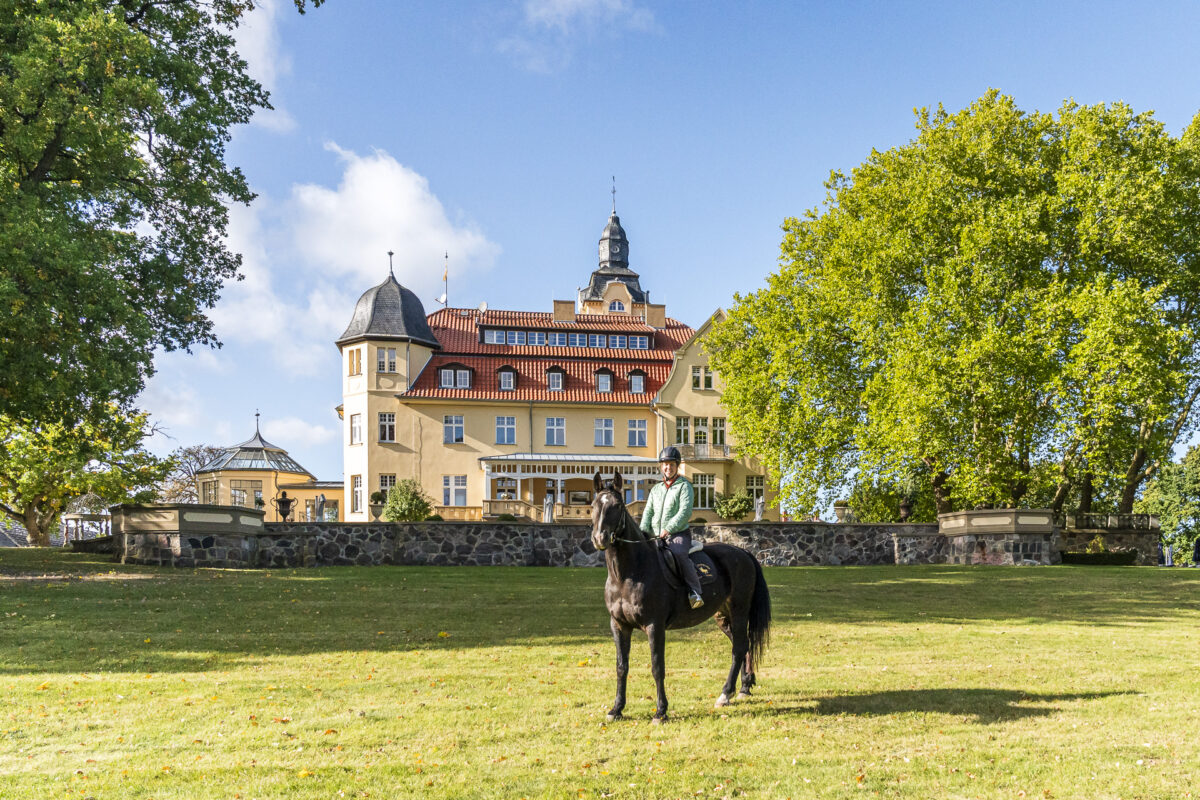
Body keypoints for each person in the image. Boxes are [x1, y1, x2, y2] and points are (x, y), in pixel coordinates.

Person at [640, 446, 704, 609]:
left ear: (677, 466)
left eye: (671, 464)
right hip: (656, 535)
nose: (668, 467)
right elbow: (648, 512)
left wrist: (668, 528)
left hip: (678, 534)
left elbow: (685, 512)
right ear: (661, 467)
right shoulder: (656, 489)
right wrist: (643, 532)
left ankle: (694, 592)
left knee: (679, 554)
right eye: (665, 464)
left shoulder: (684, 486)